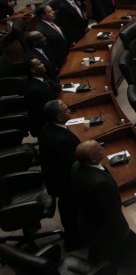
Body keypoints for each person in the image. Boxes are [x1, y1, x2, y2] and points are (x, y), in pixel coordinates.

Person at [71, 140, 136, 265]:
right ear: (92, 159)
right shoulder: (100, 183)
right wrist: (125, 232)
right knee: (110, 258)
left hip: (87, 220)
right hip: (104, 230)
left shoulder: (76, 166)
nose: (103, 149)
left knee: (96, 252)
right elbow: (112, 213)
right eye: (99, 149)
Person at [39, 100, 82, 251]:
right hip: (65, 184)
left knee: (69, 209)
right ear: (58, 117)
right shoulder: (61, 140)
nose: (69, 110)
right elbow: (73, 167)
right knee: (72, 209)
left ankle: (73, 237)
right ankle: (75, 241)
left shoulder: (48, 127)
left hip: (55, 179)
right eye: (66, 110)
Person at [24, 58, 62, 137]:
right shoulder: (34, 90)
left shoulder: (41, 78)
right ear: (33, 70)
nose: (43, 64)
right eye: (40, 64)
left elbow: (58, 88)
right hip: (47, 127)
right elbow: (44, 115)